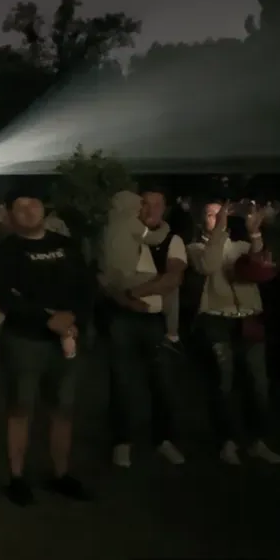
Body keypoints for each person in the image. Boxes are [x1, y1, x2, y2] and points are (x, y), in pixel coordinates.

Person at [0, 189, 94, 507]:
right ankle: (17, 477)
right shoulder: (4, 252)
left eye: (34, 204)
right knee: (21, 408)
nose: (29, 211)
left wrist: (73, 317)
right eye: (20, 207)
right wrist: (47, 319)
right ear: (10, 215)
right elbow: (2, 295)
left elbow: (87, 287)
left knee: (63, 409)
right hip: (24, 342)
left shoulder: (67, 247)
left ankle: (61, 475)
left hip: (67, 341)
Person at [187, 200, 280, 465]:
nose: (219, 219)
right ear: (201, 221)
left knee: (258, 383)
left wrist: (254, 232)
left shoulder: (240, 247)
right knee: (223, 383)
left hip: (248, 319)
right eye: (211, 215)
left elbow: (260, 264)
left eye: (222, 214)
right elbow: (209, 264)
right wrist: (219, 231)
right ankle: (227, 441)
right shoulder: (195, 248)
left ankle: (257, 441)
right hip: (217, 321)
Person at [102, 188, 188, 468]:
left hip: (152, 317)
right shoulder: (125, 231)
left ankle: (163, 439)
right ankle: (121, 441)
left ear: (164, 208)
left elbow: (172, 280)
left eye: (156, 204)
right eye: (145, 204)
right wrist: (125, 300)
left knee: (162, 381)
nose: (150, 210)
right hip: (124, 316)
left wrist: (130, 294)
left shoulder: (170, 239)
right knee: (121, 381)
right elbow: (104, 278)